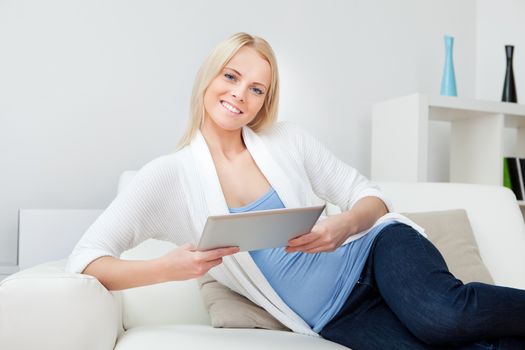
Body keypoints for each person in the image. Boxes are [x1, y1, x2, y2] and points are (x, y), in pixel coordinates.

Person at [65, 32, 525, 350]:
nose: (240, 95)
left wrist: (343, 224)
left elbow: (369, 194)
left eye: (256, 89)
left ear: (266, 100)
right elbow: (85, 259)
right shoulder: (166, 177)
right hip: (336, 316)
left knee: (442, 317)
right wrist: (168, 267)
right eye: (230, 77)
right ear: (208, 77)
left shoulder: (287, 140)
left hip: (375, 254)